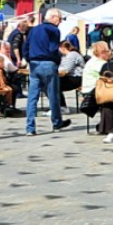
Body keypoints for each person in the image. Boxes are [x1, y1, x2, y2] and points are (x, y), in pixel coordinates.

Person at [25, 8, 71, 136]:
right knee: (53, 95)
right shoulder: (54, 30)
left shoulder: (34, 29)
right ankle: (56, 122)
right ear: (53, 17)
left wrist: (29, 59)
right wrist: (57, 60)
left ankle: (30, 127)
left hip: (34, 64)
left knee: (32, 97)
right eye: (60, 18)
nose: (60, 21)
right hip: (48, 63)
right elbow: (52, 48)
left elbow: (25, 47)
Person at [58, 40, 86, 107]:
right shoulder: (66, 56)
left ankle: (61, 106)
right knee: (51, 85)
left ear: (62, 48)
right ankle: (59, 106)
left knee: (53, 85)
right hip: (71, 77)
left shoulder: (72, 55)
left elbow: (65, 70)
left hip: (76, 78)